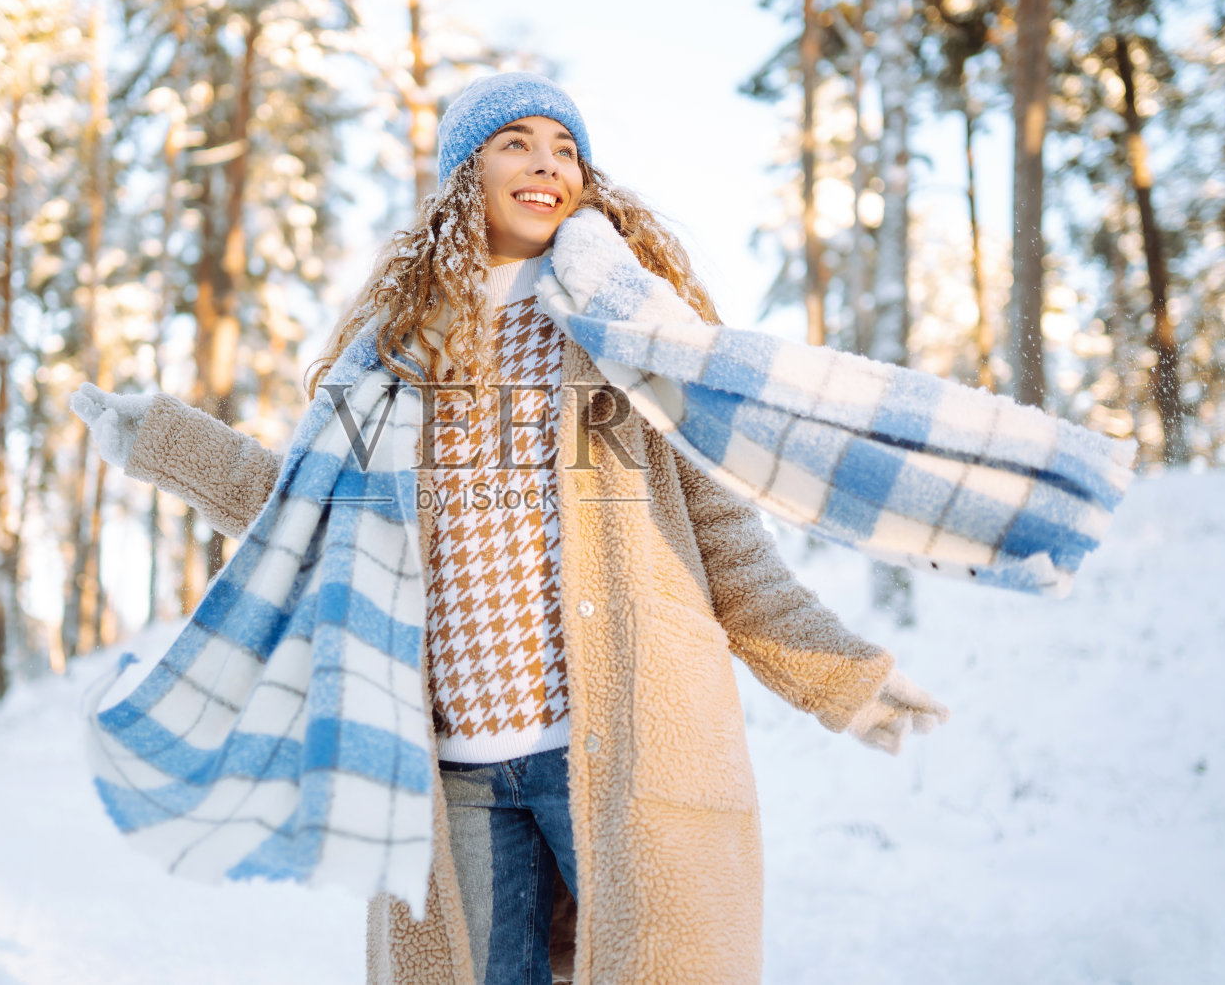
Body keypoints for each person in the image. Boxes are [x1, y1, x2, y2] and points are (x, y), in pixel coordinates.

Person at [72, 71, 949, 985]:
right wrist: (163, 442)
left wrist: (846, 677)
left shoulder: (626, 330)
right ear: (465, 175)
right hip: (453, 774)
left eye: (566, 148)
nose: (548, 165)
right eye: (517, 144)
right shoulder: (392, 356)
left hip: (619, 752)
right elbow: (300, 517)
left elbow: (727, 544)